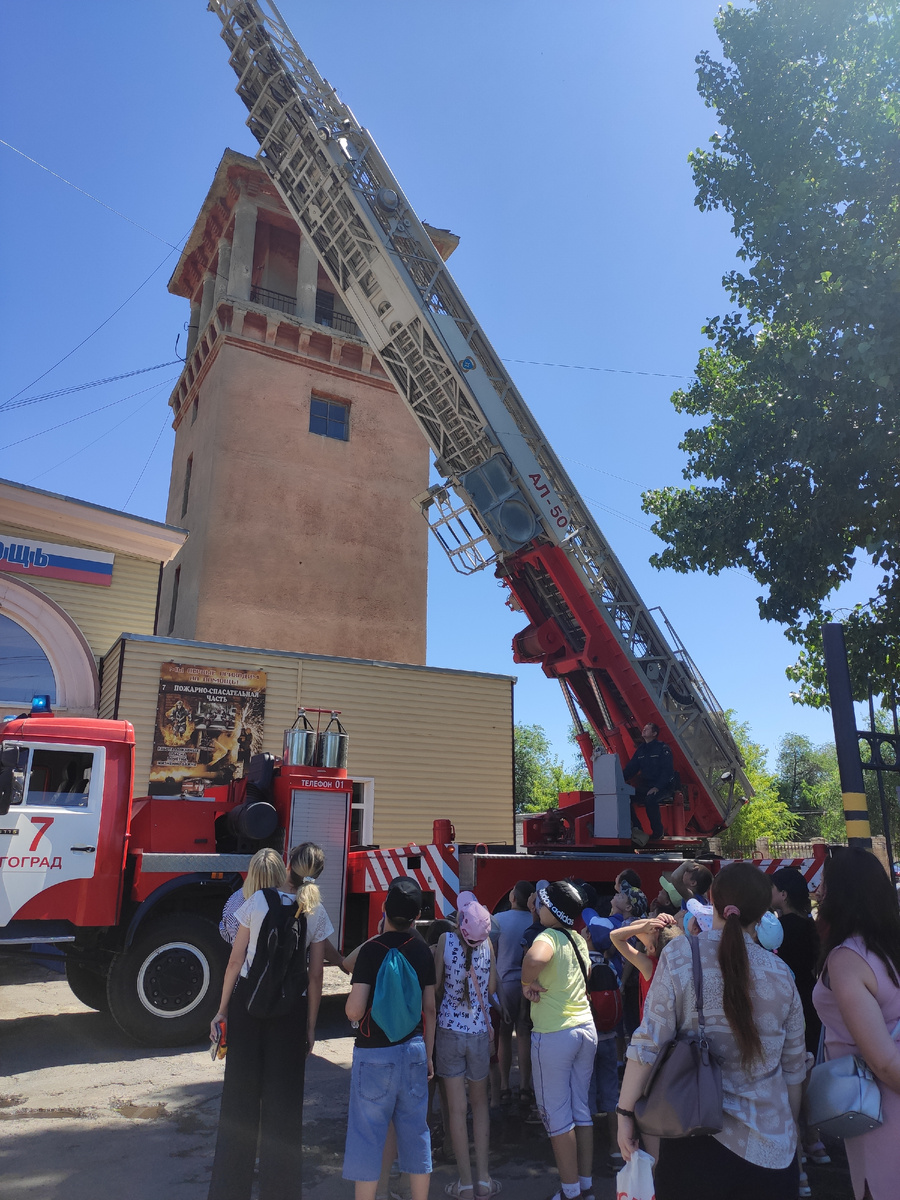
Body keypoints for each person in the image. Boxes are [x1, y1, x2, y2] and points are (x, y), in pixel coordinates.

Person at [617, 862, 806, 1200]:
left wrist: (625, 1113)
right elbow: (793, 1070)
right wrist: (789, 1130)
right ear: (763, 913)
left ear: (712, 900)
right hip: (773, 1154)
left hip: (694, 1140)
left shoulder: (681, 955)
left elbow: (649, 1042)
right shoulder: (781, 974)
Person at [207, 842, 333, 1200]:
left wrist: (222, 1010)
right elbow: (315, 976)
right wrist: (310, 1027)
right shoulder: (316, 910)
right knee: (284, 1111)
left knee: (239, 1104)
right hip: (290, 1013)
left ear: (287, 864)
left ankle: (229, 1192)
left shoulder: (258, 901)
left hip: (248, 1007)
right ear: (316, 874)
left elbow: (235, 961)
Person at [812, 846, 900, 1200]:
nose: (817, 892)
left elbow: (884, 1062)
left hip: (881, 1105)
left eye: (823, 884)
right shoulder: (889, 947)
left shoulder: (847, 958)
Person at [343, 877, 436, 1200]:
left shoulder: (371, 950)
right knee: (416, 1134)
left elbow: (355, 1010)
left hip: (373, 1055)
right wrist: (429, 1055)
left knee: (367, 1137)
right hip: (413, 1051)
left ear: (383, 909)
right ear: (416, 917)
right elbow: (430, 1009)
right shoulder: (422, 951)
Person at [521, 879, 597, 1200]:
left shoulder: (548, 936)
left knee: (557, 1116)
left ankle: (570, 1192)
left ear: (552, 911)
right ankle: (585, 1187)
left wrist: (526, 982)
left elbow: (534, 959)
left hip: (554, 1034)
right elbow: (586, 974)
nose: (538, 907)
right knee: (581, 1110)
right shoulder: (578, 939)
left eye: (542, 903)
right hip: (585, 1029)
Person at [434, 891, 503, 1199]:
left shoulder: (444, 942)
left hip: (449, 1030)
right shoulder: (488, 945)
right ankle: (484, 1180)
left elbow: (436, 985)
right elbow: (491, 988)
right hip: (478, 1032)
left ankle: (463, 1184)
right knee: (480, 1106)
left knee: (457, 1110)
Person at [494, 880, 536, 1110]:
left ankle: (503, 1085)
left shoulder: (499, 920)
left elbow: (493, 952)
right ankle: (524, 1087)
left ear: (512, 898)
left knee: (503, 1035)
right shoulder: (534, 920)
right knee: (524, 1033)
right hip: (528, 984)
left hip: (504, 984)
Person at [771, 866, 821, 1054]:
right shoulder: (808, 922)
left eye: (772, 888)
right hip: (809, 992)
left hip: (790, 996)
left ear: (783, 894)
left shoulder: (781, 928)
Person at [609, 912, 682, 1021]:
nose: (647, 928)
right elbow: (633, 924)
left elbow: (615, 936)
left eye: (649, 931)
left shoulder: (650, 965)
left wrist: (643, 927)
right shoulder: (676, 963)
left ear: (651, 948)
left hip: (651, 1027)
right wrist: (655, 921)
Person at [218, 846, 285, 945]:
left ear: (251, 872)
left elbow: (226, 933)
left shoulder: (235, 903)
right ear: (281, 873)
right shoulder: (291, 902)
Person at [622, 723, 674, 842]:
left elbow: (667, 771)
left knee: (650, 799)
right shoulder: (641, 750)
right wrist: (618, 779)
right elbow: (631, 769)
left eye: (647, 729)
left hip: (664, 787)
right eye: (644, 728)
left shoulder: (662, 748)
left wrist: (657, 787)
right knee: (624, 798)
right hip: (646, 787)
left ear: (654, 733)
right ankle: (638, 829)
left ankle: (658, 833)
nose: (644, 730)